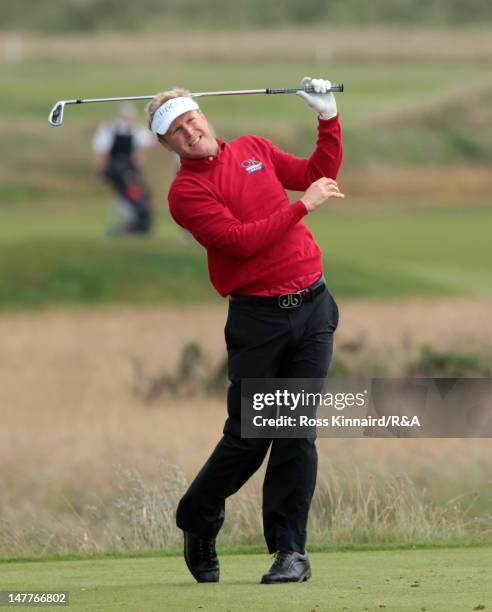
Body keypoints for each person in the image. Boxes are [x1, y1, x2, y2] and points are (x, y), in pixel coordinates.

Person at [146, 77, 344, 584]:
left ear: (204, 117)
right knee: (249, 439)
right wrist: (303, 206)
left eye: (192, 120)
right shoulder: (185, 192)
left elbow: (316, 173)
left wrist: (327, 119)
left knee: (296, 431)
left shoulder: (253, 148)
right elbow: (239, 241)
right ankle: (198, 515)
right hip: (259, 321)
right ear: (167, 144)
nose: (190, 132)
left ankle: (290, 553)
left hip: (314, 307)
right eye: (177, 130)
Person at [92, 103, 154, 236]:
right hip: (116, 169)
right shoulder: (110, 129)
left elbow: (144, 145)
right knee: (127, 195)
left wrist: (139, 154)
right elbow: (102, 151)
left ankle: (137, 223)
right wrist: (100, 170)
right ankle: (130, 224)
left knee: (134, 194)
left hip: (129, 169)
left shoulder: (135, 130)